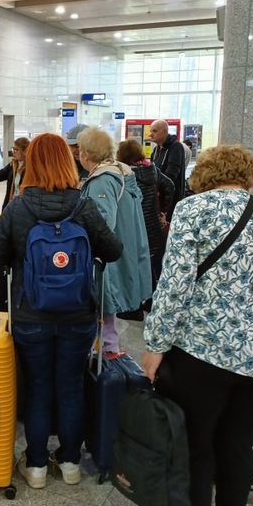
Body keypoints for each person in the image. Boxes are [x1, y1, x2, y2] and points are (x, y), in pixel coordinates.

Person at [141, 145, 253, 506]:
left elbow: (174, 286)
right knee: (238, 445)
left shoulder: (192, 210)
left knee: (197, 445)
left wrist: (156, 344)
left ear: (204, 174)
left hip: (205, 351)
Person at [0, 133, 122, 489]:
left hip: (31, 315)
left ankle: (36, 466)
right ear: (68, 161)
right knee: (71, 386)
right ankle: (71, 462)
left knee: (38, 387)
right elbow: (113, 250)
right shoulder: (83, 205)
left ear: (30, 163)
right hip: (78, 314)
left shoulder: (19, 207)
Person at [77, 127, 151, 355]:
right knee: (109, 309)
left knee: (105, 303)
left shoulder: (102, 181)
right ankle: (109, 348)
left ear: (85, 153)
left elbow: (101, 223)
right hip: (124, 249)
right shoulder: (121, 173)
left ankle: (106, 351)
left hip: (108, 256)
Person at [116, 138, 174, 289]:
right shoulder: (152, 170)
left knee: (136, 265)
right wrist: (163, 211)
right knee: (153, 265)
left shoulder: (124, 176)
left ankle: (139, 296)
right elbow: (169, 186)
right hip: (154, 226)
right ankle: (153, 295)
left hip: (135, 226)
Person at [149, 119, 186, 219]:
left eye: (154, 131)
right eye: (151, 131)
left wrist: (158, 187)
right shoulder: (156, 149)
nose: (150, 134)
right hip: (159, 196)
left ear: (165, 131)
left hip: (171, 197)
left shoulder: (176, 147)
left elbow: (172, 173)